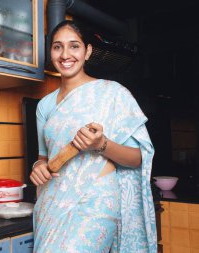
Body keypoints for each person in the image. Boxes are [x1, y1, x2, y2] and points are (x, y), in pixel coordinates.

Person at [30, 20, 156, 253]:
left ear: (87, 51)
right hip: (52, 202)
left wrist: (102, 145)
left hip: (95, 201)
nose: (65, 54)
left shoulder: (113, 93)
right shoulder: (44, 106)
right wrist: (38, 165)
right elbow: (43, 157)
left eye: (74, 46)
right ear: (50, 52)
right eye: (57, 47)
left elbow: (138, 158)